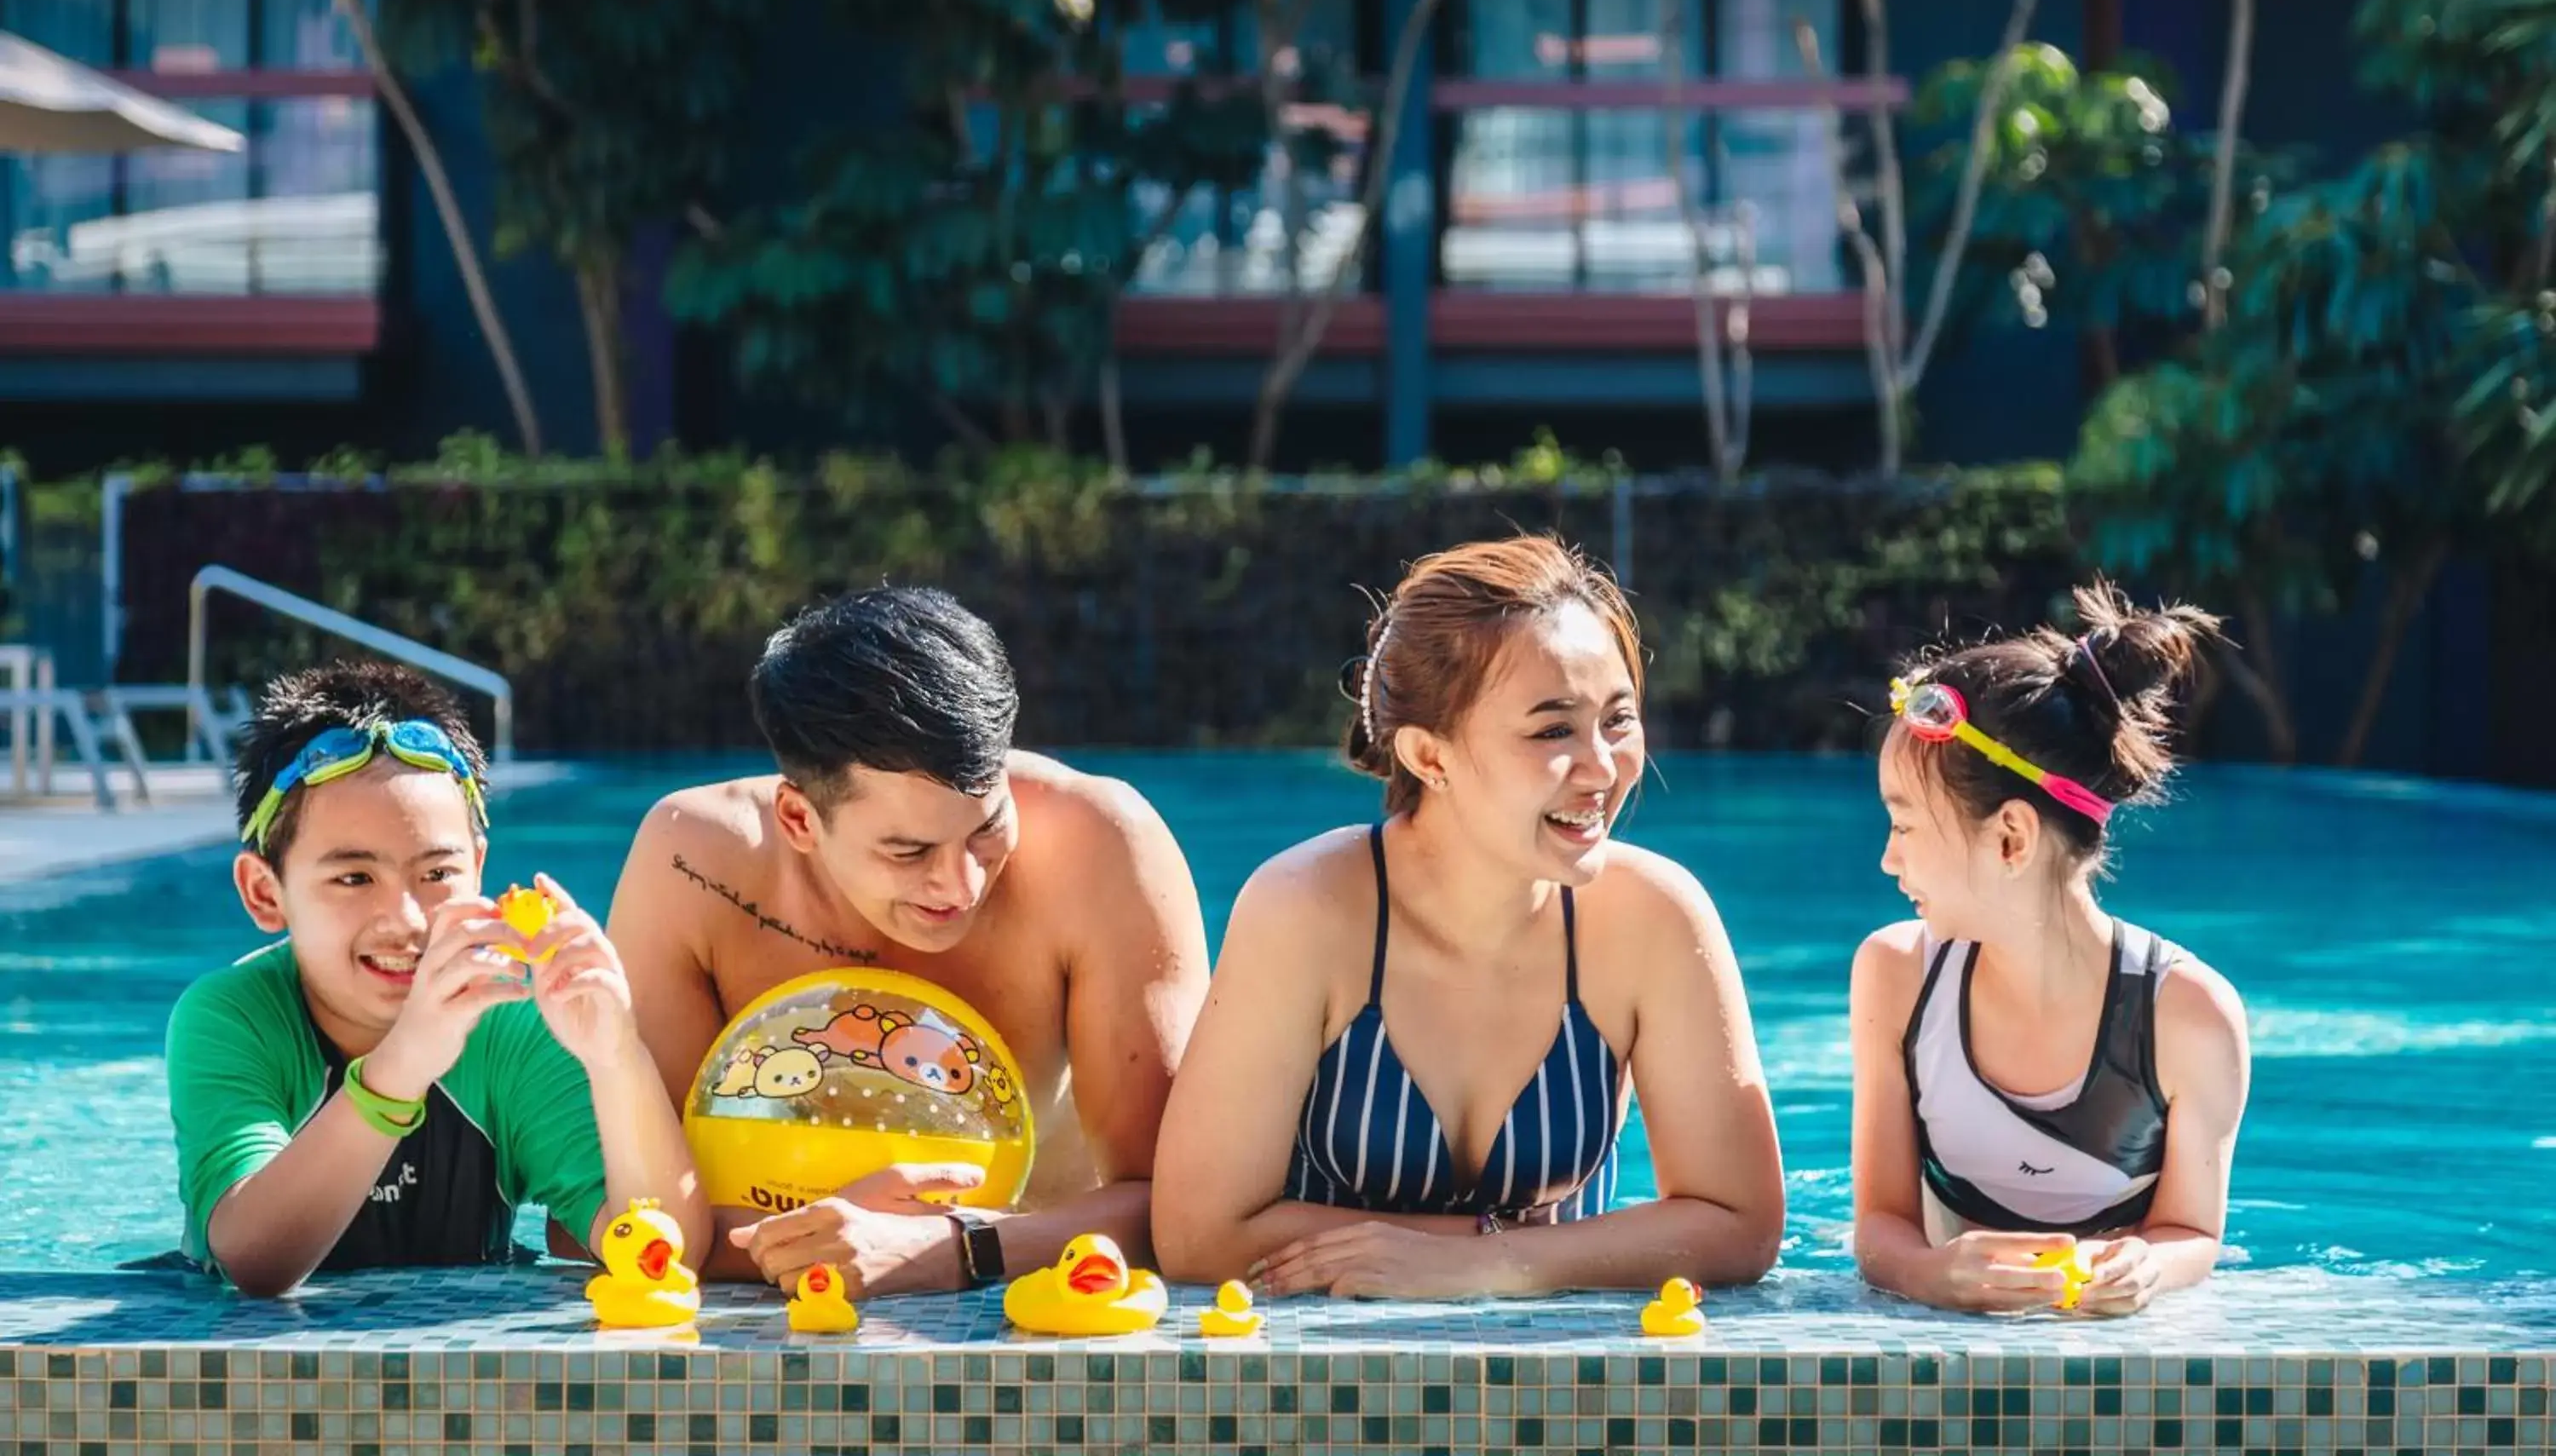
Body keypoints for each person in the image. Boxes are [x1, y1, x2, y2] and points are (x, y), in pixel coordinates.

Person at [1151, 534, 1785, 1298]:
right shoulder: (1310, 909)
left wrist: (1485, 1264)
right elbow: (1195, 1236)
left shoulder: (1652, 917)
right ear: (1429, 757)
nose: (1605, 767)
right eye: (1553, 730)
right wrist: (1504, 1250)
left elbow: (1740, 1224)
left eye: (1617, 719)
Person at [606, 586, 1211, 1294]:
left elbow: (1180, 1206)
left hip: (1020, 1297)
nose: (960, 885)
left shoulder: (1101, 848)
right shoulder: (693, 865)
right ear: (799, 820)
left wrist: (953, 1249)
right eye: (908, 853)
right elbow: (628, 1208)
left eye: (987, 828)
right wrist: (833, 1243)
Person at [167, 661, 701, 1296]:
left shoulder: (514, 1028)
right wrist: (407, 1060)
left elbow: (668, 1254)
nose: (407, 920)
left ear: (478, 868)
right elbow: (254, 1262)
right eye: (353, 878)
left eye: (437, 874)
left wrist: (617, 1057)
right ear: (265, 893)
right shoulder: (232, 1017)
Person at [1850, 583, 2252, 1315]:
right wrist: (1928, 1276)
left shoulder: (2187, 1016)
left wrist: (2148, 1268)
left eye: (1904, 826)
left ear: (2011, 838)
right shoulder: (1897, 975)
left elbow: (2191, 1231)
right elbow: (1880, 1229)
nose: (1888, 859)